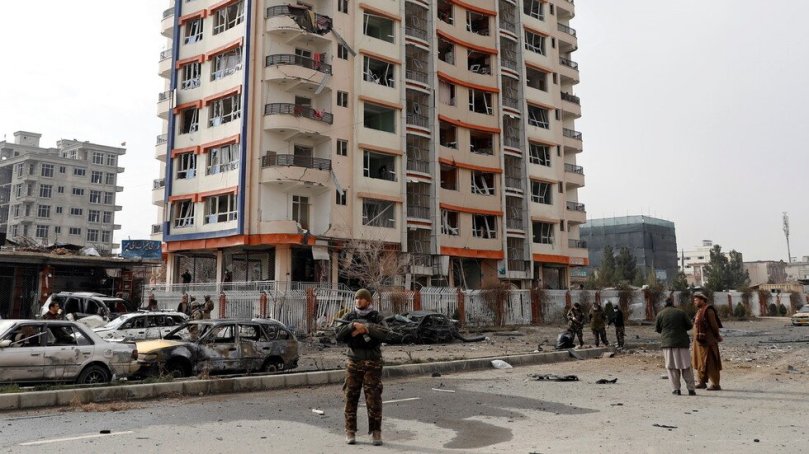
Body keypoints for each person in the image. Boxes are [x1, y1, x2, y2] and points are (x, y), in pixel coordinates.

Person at [336, 288, 389, 446]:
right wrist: (352, 326)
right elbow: (338, 335)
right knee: (350, 397)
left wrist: (366, 329)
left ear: (368, 301)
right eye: (356, 298)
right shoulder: (349, 317)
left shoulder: (376, 317)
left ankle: (376, 432)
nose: (358, 301)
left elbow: (385, 333)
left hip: (373, 363)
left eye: (361, 298)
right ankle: (350, 431)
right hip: (354, 361)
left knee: (373, 399)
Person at [656, 297, 696, 396]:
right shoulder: (681, 312)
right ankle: (691, 389)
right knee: (686, 366)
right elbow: (689, 326)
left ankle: (676, 389)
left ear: (664, 304)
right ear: (673, 303)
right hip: (682, 343)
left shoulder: (660, 314)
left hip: (667, 344)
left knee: (672, 367)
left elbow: (658, 329)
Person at [691, 292, 723, 390]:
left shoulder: (708, 311)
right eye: (694, 300)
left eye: (696, 300)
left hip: (708, 342)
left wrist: (717, 336)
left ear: (702, 300)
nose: (695, 302)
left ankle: (715, 384)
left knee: (710, 362)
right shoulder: (699, 311)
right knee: (700, 362)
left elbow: (714, 326)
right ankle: (701, 382)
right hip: (699, 342)